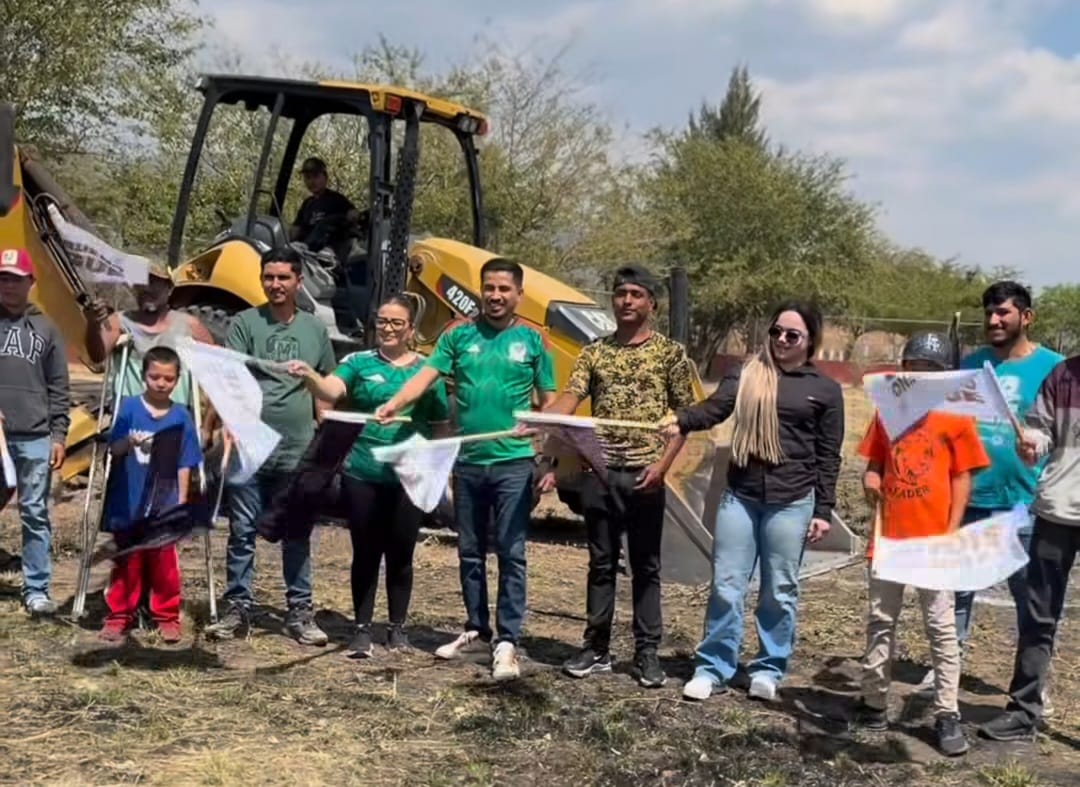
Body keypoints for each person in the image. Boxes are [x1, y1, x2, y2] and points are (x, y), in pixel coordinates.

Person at [375, 257, 557, 681]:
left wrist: (547, 453)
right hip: (469, 462)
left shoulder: (533, 340)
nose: (495, 295)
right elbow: (425, 376)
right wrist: (395, 403)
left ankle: (507, 640)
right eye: (489, 288)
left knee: (511, 552)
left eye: (504, 289)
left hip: (513, 462)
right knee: (469, 551)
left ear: (518, 294)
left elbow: (550, 403)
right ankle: (476, 628)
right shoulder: (458, 335)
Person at [660, 301, 844, 702]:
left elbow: (829, 455)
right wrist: (681, 419)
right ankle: (713, 667)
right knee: (727, 585)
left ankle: (768, 669)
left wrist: (823, 510)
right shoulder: (746, 373)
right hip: (741, 496)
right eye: (776, 331)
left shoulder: (825, 390)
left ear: (810, 341)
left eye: (792, 335)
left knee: (779, 590)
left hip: (792, 500)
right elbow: (717, 408)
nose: (781, 340)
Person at [543, 264, 695, 688]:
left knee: (646, 566)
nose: (626, 301)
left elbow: (684, 417)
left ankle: (647, 653)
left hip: (646, 475)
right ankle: (596, 648)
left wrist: (662, 468)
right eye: (620, 293)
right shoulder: (594, 351)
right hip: (600, 473)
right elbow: (570, 398)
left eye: (635, 294)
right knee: (601, 563)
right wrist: (540, 420)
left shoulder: (670, 354)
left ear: (652, 304)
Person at [286, 295, 451, 657]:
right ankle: (361, 630)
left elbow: (441, 427)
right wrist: (310, 376)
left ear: (411, 329)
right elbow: (330, 390)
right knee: (365, 552)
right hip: (362, 473)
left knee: (401, 554)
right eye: (382, 321)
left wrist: (440, 475)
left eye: (396, 323)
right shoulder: (358, 363)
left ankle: (397, 630)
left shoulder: (427, 372)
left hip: (409, 477)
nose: (387, 328)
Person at [854, 332, 988, 757]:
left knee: (941, 628)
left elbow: (962, 476)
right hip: (889, 540)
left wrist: (951, 530)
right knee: (881, 620)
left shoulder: (956, 414)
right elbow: (875, 464)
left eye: (932, 370)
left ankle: (947, 712)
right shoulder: (888, 410)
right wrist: (870, 480)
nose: (922, 376)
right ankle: (873, 700)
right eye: (915, 368)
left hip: (933, 542)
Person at [204, 245, 336, 645]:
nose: (275, 284)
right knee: (242, 530)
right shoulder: (246, 323)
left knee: (296, 532)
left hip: (296, 448)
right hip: (250, 448)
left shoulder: (315, 329)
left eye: (283, 277)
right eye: (269, 277)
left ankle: (300, 611)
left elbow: (322, 387)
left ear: (298, 281)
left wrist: (327, 436)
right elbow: (230, 379)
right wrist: (222, 425)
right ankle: (238, 608)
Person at [979, 353, 1080, 742]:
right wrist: (1031, 445)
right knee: (1039, 616)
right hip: (1057, 511)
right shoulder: (1064, 374)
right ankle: (1023, 711)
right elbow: (1040, 429)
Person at [99, 347, 203, 643]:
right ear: (144, 376)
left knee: (164, 565)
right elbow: (114, 449)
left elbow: (186, 463)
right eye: (154, 376)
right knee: (127, 562)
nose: (161, 383)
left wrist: (182, 503)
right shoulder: (130, 408)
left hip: (164, 503)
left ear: (177, 380)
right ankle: (119, 615)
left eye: (168, 379)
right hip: (129, 501)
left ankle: (167, 617)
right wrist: (128, 442)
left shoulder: (181, 416)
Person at [0, 248, 70, 616]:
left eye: (15, 278)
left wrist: (58, 436)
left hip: (34, 436)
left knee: (34, 513)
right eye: (2, 278)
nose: (8, 285)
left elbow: (59, 387)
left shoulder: (47, 329)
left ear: (30, 282)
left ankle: (37, 588)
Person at [82, 259, 215, 407]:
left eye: (154, 282)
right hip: (131, 413)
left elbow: (216, 370)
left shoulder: (190, 326)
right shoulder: (120, 321)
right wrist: (93, 324)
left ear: (169, 288)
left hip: (175, 413)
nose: (146, 288)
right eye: (142, 281)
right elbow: (97, 356)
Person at [289, 157, 360, 250]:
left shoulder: (336, 199)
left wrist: (353, 216)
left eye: (316, 176)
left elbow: (353, 214)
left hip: (325, 252)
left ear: (325, 177)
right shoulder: (307, 204)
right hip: (303, 250)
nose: (311, 181)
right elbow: (295, 229)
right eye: (308, 177)